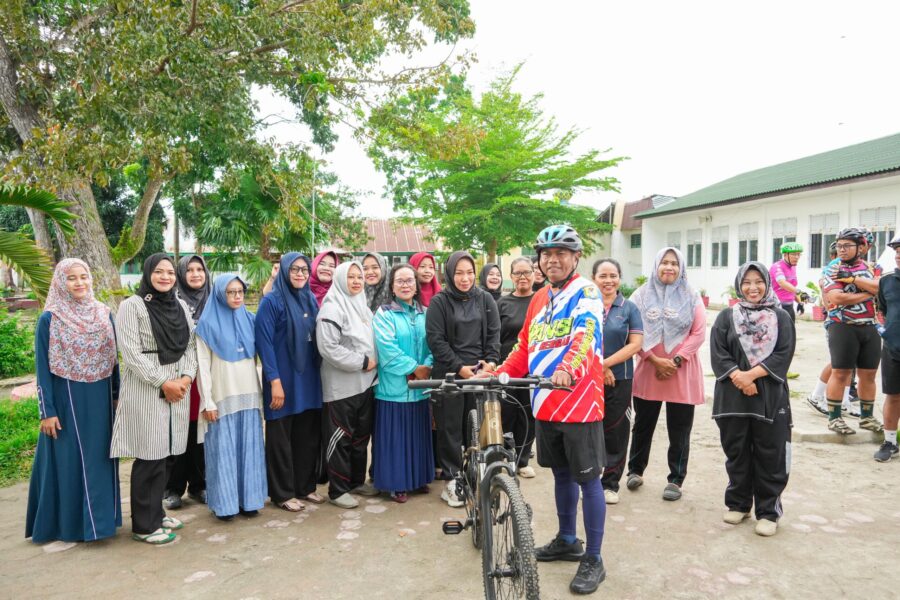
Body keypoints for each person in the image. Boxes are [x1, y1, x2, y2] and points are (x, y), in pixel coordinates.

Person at [490, 225, 607, 595]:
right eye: (546, 254)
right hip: (545, 403)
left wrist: (567, 368)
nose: (552, 259)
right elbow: (525, 346)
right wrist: (498, 373)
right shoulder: (540, 298)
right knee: (560, 474)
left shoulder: (586, 292)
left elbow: (586, 334)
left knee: (589, 479)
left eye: (561, 253)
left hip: (580, 402)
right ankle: (568, 539)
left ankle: (594, 557)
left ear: (575, 258)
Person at [26, 259, 122, 544]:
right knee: (69, 461)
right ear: (60, 283)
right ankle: (71, 526)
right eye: (71, 278)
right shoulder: (50, 319)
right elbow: (42, 368)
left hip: (101, 400)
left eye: (84, 277)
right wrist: (47, 412)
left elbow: (114, 360)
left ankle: (102, 524)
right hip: (67, 402)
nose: (80, 283)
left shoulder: (104, 314)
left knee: (102, 457)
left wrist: (117, 397)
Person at [111, 253, 197, 545]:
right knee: (149, 455)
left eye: (170, 273)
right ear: (148, 274)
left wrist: (185, 378)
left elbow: (190, 346)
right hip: (147, 388)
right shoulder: (131, 307)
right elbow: (131, 354)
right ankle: (144, 526)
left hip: (178, 387)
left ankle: (156, 513)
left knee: (167, 453)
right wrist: (163, 382)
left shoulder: (181, 306)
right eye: (159, 272)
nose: (165, 277)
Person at [711, 262, 796, 537]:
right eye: (746, 282)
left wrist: (751, 377)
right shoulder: (726, 317)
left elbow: (783, 354)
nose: (753, 287)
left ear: (767, 283)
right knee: (736, 451)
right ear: (739, 285)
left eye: (758, 281)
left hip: (769, 397)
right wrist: (740, 378)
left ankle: (769, 511)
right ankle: (738, 503)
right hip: (733, 398)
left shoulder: (781, 317)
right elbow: (718, 353)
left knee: (770, 453)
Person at [626, 247, 706, 502]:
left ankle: (675, 479)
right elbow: (633, 330)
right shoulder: (640, 295)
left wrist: (676, 360)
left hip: (682, 371)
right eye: (664, 262)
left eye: (674, 263)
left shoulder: (691, 295)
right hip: (649, 369)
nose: (669, 267)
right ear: (656, 265)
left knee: (679, 430)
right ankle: (635, 470)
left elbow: (699, 333)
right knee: (642, 425)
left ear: (681, 267)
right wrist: (654, 360)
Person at [426, 251, 500, 507]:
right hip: (450, 375)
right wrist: (460, 368)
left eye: (469, 272)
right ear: (449, 274)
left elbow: (493, 335)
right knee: (450, 429)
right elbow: (436, 341)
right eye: (459, 273)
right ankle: (452, 479)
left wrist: (490, 363)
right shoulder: (439, 302)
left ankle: (474, 475)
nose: (465, 278)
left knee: (477, 428)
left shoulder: (485, 299)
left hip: (480, 375)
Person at [256, 252, 325, 511]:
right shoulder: (271, 302)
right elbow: (264, 343)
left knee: (306, 436)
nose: (299, 274)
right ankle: (282, 493)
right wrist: (274, 380)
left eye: (304, 270)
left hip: (308, 377)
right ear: (284, 271)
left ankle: (304, 487)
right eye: (294, 269)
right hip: (282, 380)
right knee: (281, 437)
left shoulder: (310, 298)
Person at [195, 274, 267, 521]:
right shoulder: (206, 325)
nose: (237, 297)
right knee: (223, 451)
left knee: (249, 448)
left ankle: (250, 500)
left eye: (240, 292)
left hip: (248, 396)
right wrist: (207, 401)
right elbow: (202, 366)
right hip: (222, 396)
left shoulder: (249, 319)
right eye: (230, 292)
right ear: (219, 294)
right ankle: (225, 505)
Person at [317, 261, 379, 509]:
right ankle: (338, 489)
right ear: (340, 279)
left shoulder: (362, 306)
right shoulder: (331, 309)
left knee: (360, 437)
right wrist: (362, 362)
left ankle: (355, 481)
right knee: (340, 437)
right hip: (341, 388)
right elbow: (328, 348)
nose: (356, 281)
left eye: (359, 276)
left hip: (365, 385)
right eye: (350, 276)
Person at [372, 264, 435, 502]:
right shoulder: (384, 313)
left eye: (410, 280)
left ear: (417, 285)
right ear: (392, 286)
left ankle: (418, 479)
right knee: (396, 439)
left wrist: (427, 367)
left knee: (417, 436)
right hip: (394, 390)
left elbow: (434, 343)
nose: (406, 285)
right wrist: (414, 369)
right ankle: (396, 484)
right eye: (400, 281)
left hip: (420, 390)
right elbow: (387, 349)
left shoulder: (426, 313)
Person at [820, 228, 883, 435]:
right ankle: (835, 418)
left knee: (869, 374)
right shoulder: (833, 268)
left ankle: (866, 417)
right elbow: (836, 298)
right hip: (842, 326)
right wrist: (867, 293)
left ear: (862, 247)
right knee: (841, 372)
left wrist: (854, 281)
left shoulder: (872, 267)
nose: (841, 250)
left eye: (847, 246)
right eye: (839, 245)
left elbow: (881, 287)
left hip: (869, 326)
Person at [592, 258, 643, 506]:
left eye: (613, 275)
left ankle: (610, 484)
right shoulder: (585, 305)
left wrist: (605, 364)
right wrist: (596, 368)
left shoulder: (629, 308)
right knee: (588, 430)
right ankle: (589, 481)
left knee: (616, 431)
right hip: (587, 380)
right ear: (594, 279)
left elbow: (635, 344)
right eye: (603, 276)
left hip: (620, 379)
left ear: (619, 278)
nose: (608, 281)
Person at [164, 254, 211, 509]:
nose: (195, 274)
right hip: (180, 377)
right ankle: (172, 488)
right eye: (189, 270)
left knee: (200, 432)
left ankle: (199, 485)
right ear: (181, 274)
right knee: (179, 430)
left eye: (199, 269)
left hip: (206, 377)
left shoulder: (213, 301)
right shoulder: (172, 303)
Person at [807, 241, 860, 418]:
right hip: (838, 320)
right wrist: (830, 308)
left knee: (848, 364)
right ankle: (816, 395)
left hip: (851, 321)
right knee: (838, 362)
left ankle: (845, 401)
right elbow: (824, 286)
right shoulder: (835, 265)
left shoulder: (857, 266)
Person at [496, 257, 538, 478]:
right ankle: (506, 456)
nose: (522, 277)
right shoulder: (502, 303)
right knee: (506, 412)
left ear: (534, 274)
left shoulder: (541, 300)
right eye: (517, 273)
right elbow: (494, 336)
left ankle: (522, 460)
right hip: (507, 367)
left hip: (533, 367)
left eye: (527, 272)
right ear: (511, 277)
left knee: (528, 413)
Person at [874, 234, 900, 461]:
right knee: (892, 395)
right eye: (897, 250)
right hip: (893, 347)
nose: (899, 255)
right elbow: (882, 310)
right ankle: (890, 442)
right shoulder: (887, 281)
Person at [769, 242, 809, 322]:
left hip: (789, 306)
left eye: (799, 254)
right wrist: (800, 292)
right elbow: (782, 283)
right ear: (785, 255)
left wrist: (800, 302)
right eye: (794, 254)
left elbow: (791, 288)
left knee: (791, 333)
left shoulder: (793, 268)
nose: (797, 257)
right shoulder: (777, 267)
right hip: (777, 307)